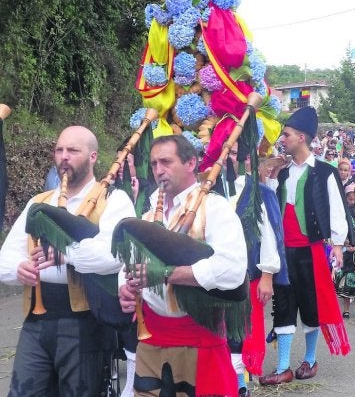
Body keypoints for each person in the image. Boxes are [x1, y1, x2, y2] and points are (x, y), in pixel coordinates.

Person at [0, 126, 136, 396]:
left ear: (93, 156)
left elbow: (116, 254)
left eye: (73, 150)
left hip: (85, 320)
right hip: (36, 319)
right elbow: (6, 255)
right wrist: (19, 268)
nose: (64, 156)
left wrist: (66, 253)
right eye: (59, 149)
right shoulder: (39, 203)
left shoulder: (113, 200)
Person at [117, 135, 247, 397]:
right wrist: (124, 287)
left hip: (199, 340)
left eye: (166, 161)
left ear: (191, 163)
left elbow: (232, 269)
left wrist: (166, 275)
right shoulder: (148, 211)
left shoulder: (215, 208)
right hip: (150, 338)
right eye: (154, 164)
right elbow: (128, 262)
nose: (158, 170)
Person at [260, 106, 350, 386]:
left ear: (301, 137)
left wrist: (337, 243)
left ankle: (309, 360)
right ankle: (284, 367)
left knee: (312, 307)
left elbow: (337, 207)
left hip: (311, 250)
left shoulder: (324, 171)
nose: (282, 139)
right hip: (282, 251)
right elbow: (269, 205)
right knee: (283, 304)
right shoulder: (281, 171)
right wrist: (268, 171)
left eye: (286, 135)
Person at [227, 145, 287, 396]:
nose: (232, 158)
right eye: (228, 152)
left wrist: (266, 275)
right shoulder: (211, 188)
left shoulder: (260, 191)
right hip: (218, 272)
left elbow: (271, 235)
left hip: (248, 272)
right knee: (221, 328)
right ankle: (225, 379)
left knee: (241, 328)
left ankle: (240, 383)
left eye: (236, 153)